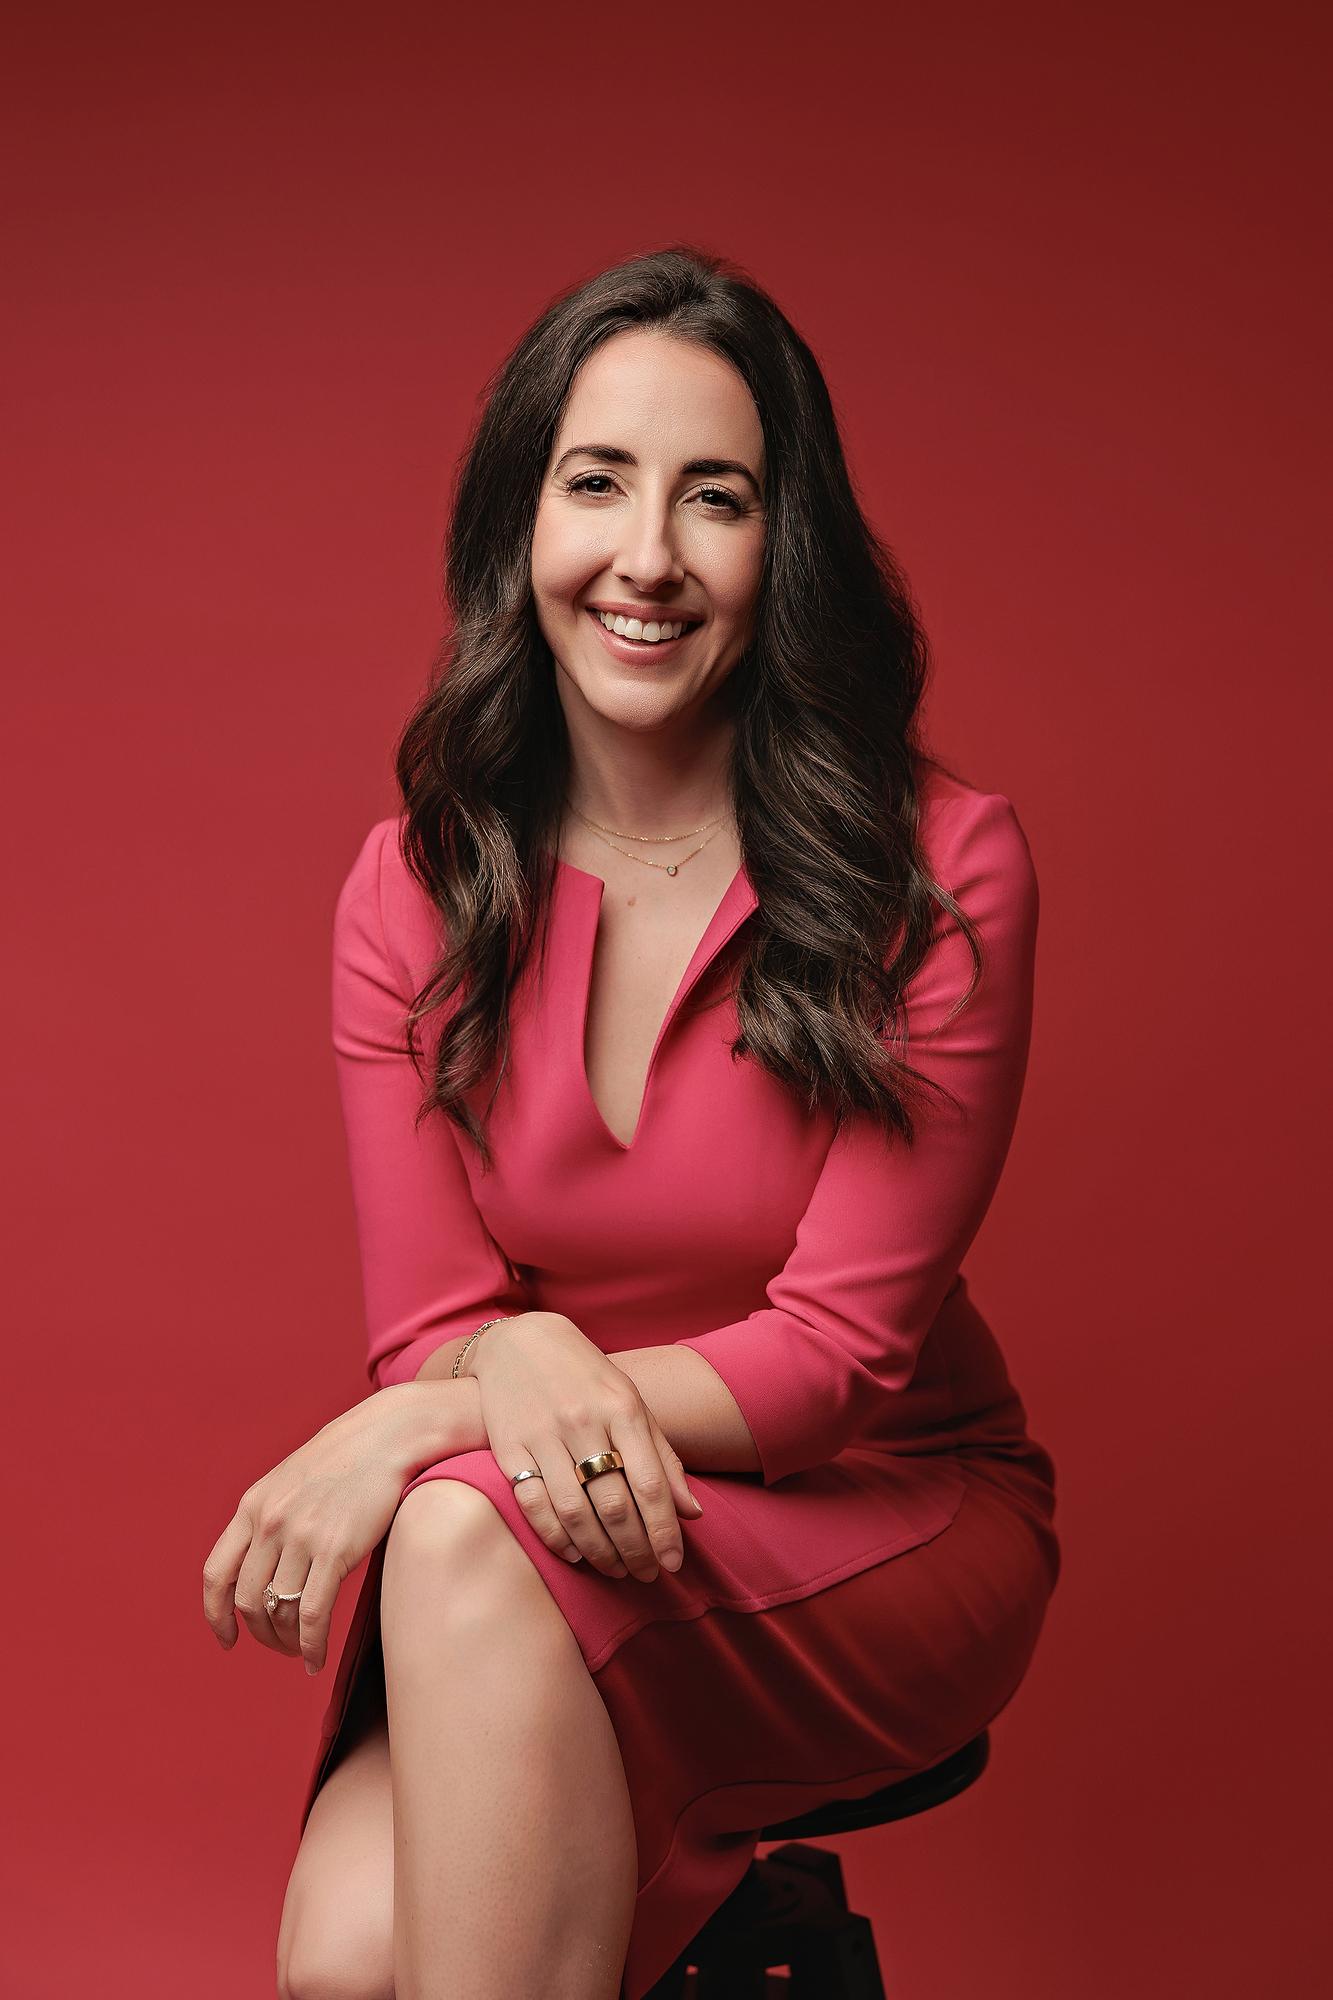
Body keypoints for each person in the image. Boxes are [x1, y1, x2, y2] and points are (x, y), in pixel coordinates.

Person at [203, 245, 1062, 2000]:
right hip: (535, 1504)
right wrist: (504, 1374)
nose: (647, 558)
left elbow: (837, 1356)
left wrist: (425, 1427)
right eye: (595, 484)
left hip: (870, 1509)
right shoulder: (411, 888)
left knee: (445, 1525)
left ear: (782, 547)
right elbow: (440, 1326)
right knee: (344, 1966)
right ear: (519, 524)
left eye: (716, 499)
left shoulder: (942, 868)